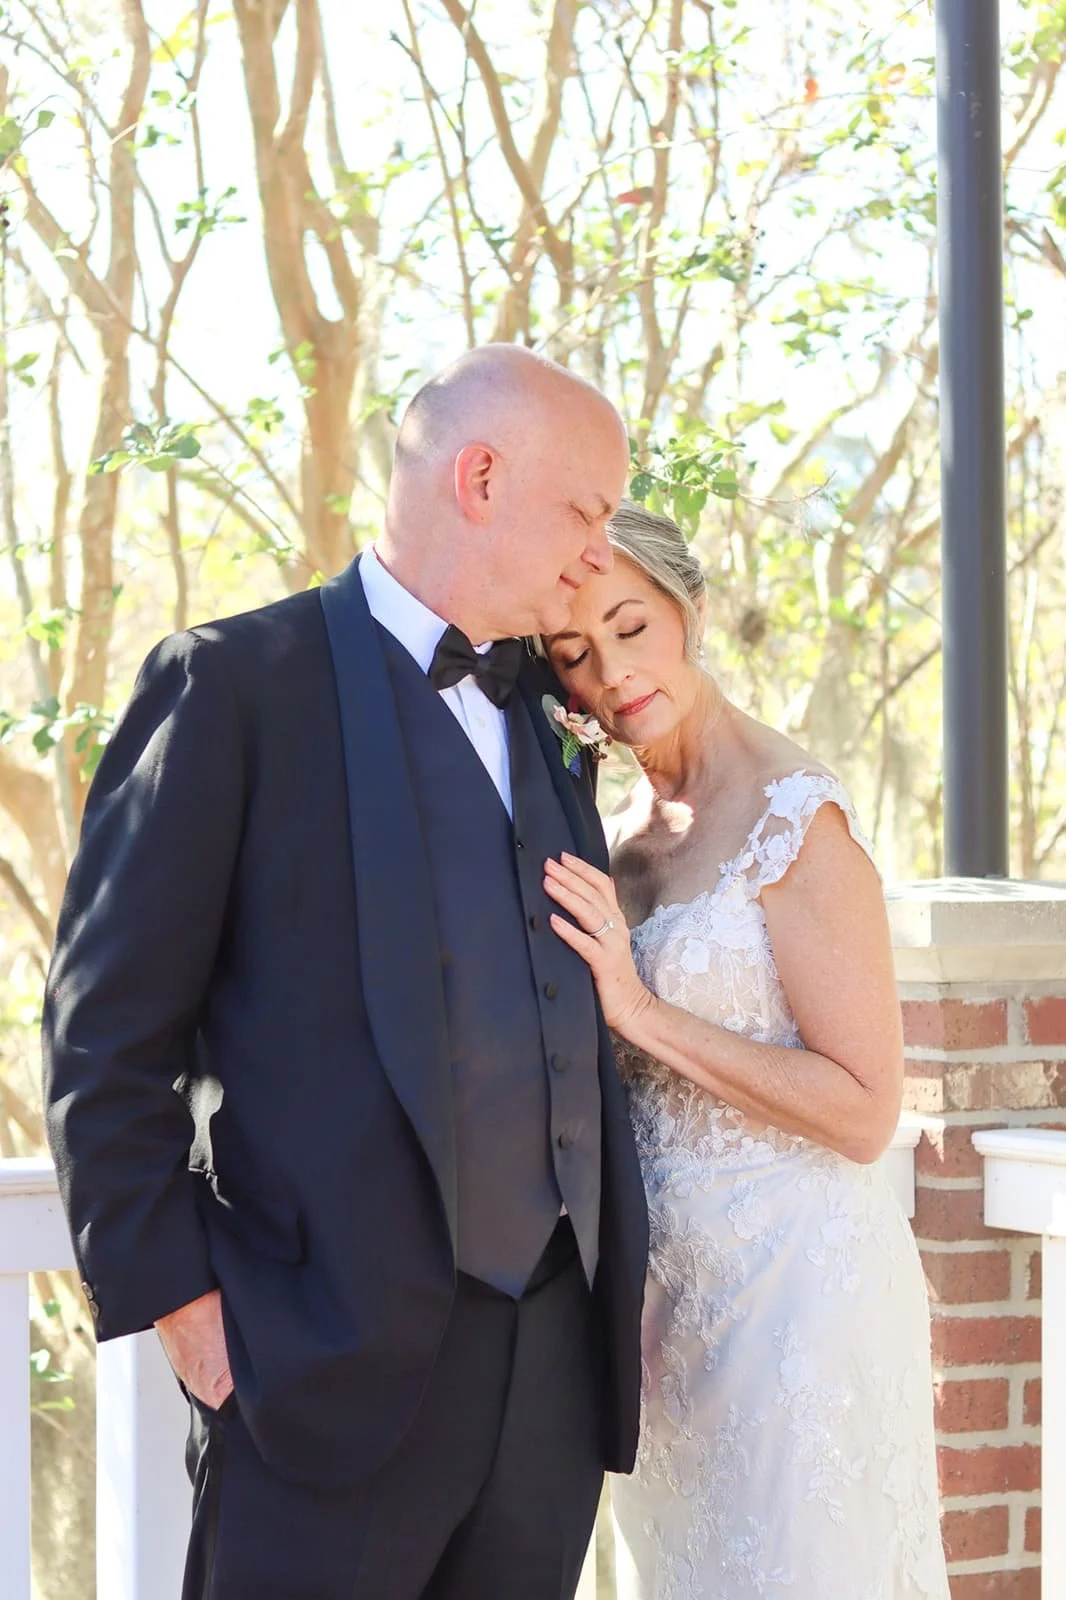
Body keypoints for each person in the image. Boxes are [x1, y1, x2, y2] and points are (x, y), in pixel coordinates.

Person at [41, 345, 649, 1600]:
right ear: (479, 475)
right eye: (586, 509)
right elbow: (103, 1035)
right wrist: (190, 1319)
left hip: (546, 1383)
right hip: (314, 1369)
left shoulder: (550, 706)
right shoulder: (230, 685)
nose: (600, 551)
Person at [542, 501, 950, 1599]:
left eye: (631, 626)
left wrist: (640, 1008)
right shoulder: (609, 835)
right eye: (576, 653)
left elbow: (865, 1108)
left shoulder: (793, 816)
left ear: (691, 610)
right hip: (668, 1331)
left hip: (799, 1307)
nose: (613, 673)